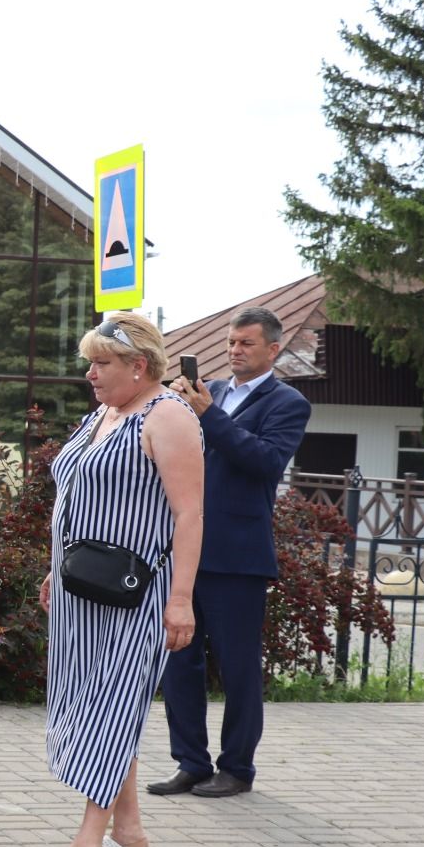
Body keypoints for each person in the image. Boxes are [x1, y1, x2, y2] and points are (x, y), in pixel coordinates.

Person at [25, 312, 203, 847]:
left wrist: (180, 599)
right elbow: (76, 496)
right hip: (82, 591)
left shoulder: (168, 416)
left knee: (112, 706)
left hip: (137, 592)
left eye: (102, 363)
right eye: (90, 362)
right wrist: (57, 567)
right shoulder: (103, 413)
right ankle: (129, 835)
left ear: (140, 366)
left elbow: (189, 514)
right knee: (94, 702)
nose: (90, 373)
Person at [151, 306, 311, 798]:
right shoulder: (210, 391)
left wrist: (207, 415)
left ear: (272, 350)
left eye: (245, 343)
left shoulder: (287, 402)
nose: (234, 350)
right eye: (231, 342)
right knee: (180, 659)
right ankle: (191, 762)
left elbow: (263, 461)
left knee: (238, 665)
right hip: (187, 548)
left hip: (238, 555)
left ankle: (237, 767)